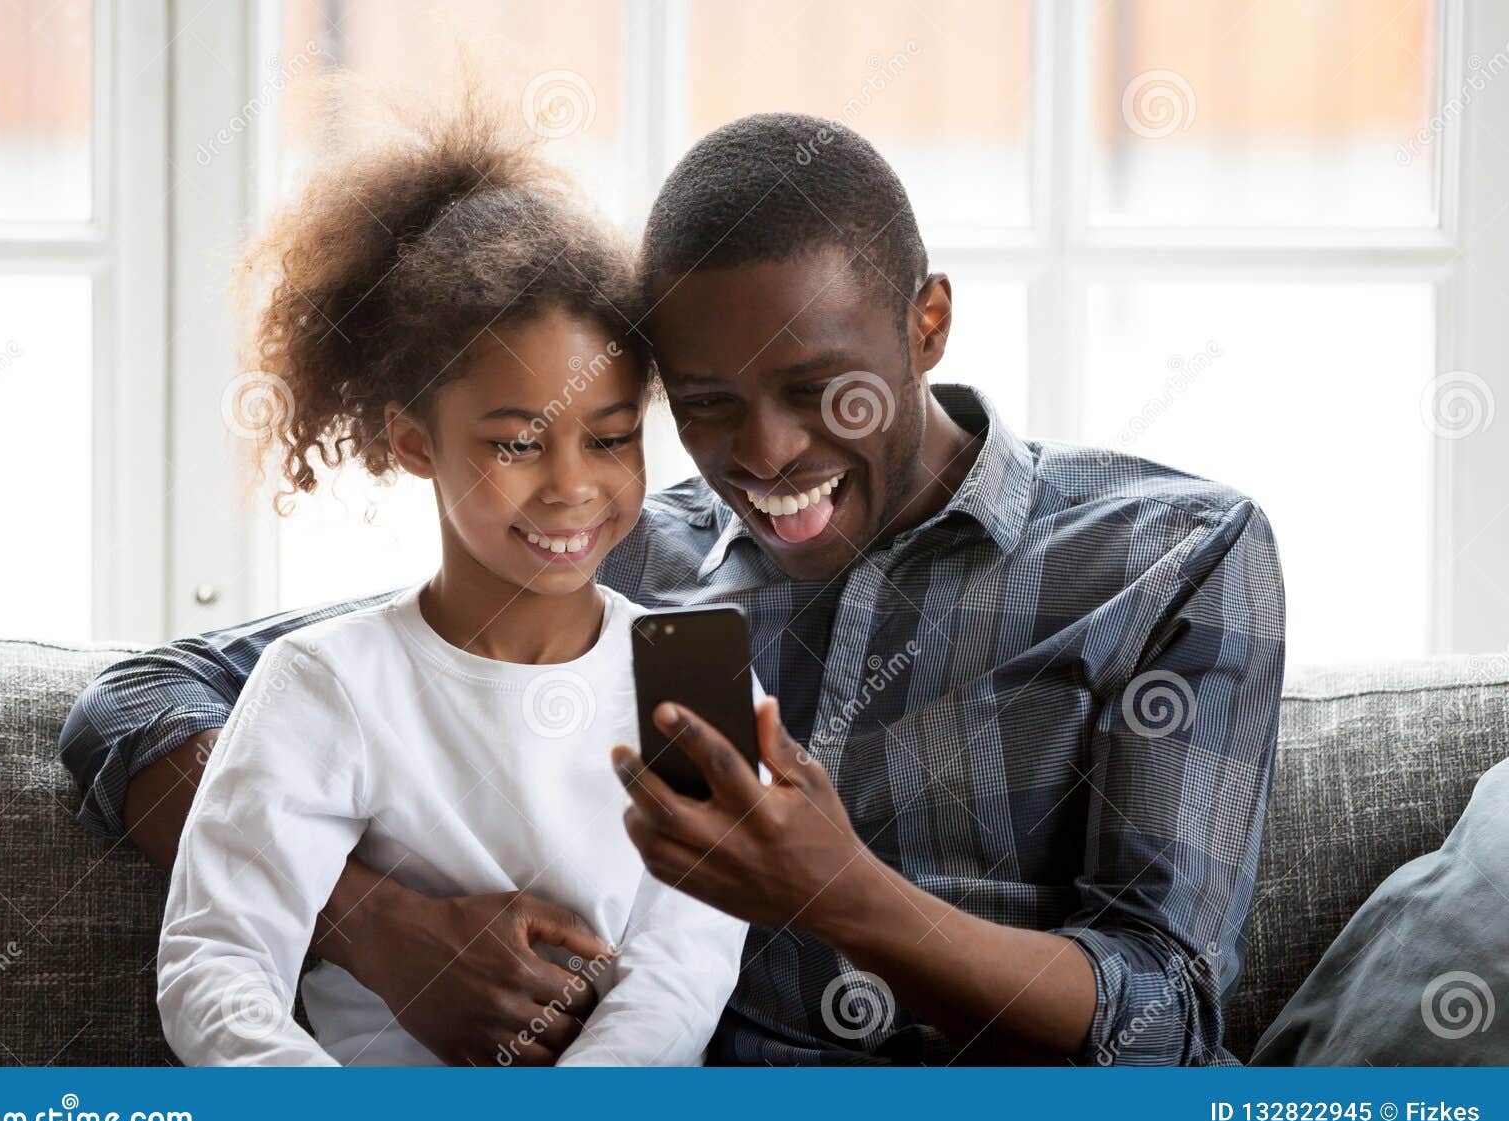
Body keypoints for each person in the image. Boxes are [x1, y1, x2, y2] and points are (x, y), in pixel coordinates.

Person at [63, 111, 1286, 1066]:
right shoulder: (615, 549)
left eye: (822, 390)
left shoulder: (1171, 556)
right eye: (705, 406)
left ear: (928, 321)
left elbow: (1163, 1023)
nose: (762, 456)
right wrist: (373, 922)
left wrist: (840, 895)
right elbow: (141, 701)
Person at [152, 92, 747, 1067]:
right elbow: (218, 959)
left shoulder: (696, 673)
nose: (571, 485)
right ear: (413, 441)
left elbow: (685, 963)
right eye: (516, 441)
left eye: (609, 439)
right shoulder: (324, 682)